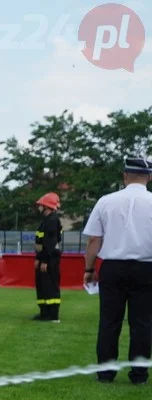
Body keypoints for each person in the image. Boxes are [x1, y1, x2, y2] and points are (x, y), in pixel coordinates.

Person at [83, 155, 152, 385]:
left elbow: (94, 240)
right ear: (149, 177)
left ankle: (106, 372)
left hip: (112, 267)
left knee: (109, 321)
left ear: (125, 175)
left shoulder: (106, 201)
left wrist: (89, 268)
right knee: (142, 323)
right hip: (146, 267)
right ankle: (139, 374)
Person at [33, 193, 63, 322]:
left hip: (50, 258)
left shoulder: (52, 221)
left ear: (47, 206)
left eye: (41, 205)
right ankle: (44, 312)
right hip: (44, 257)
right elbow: (41, 242)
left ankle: (53, 314)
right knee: (42, 285)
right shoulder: (46, 221)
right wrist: (38, 258)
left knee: (50, 285)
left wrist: (44, 260)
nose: (39, 207)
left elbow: (49, 243)